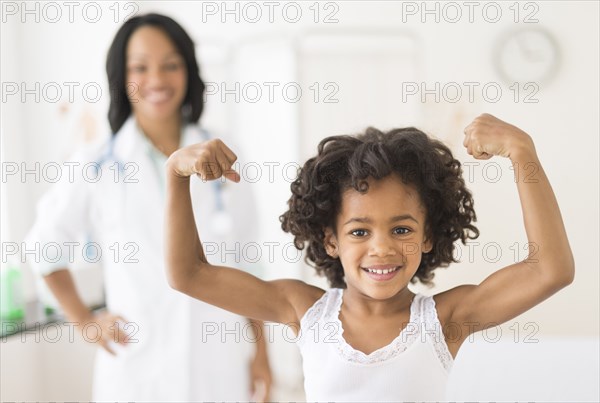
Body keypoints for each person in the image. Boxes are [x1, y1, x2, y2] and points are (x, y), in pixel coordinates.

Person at [164, 113, 574, 401]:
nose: (382, 248)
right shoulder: (305, 310)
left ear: (428, 235)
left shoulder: (445, 320)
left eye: (401, 229)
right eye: (359, 231)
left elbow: (550, 269)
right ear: (330, 240)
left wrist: (523, 153)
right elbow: (189, 274)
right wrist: (176, 176)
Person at [25, 13, 271, 402]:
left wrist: (261, 355)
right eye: (140, 67)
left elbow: (248, 262)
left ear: (188, 71)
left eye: (170, 65)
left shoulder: (223, 153)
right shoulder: (94, 164)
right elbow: (43, 248)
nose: (157, 80)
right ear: (121, 77)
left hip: (219, 364)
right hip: (137, 368)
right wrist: (86, 323)